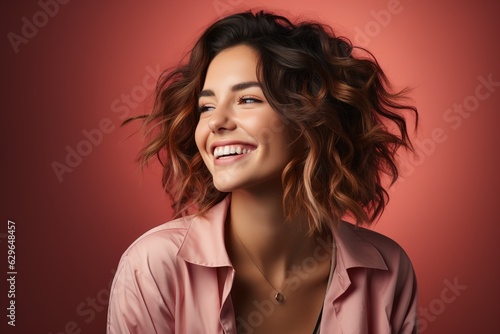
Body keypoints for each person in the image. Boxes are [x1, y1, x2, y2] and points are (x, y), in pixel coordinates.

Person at [107, 10, 418, 334]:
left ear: (312, 119)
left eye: (247, 99)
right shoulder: (154, 267)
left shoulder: (387, 270)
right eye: (207, 106)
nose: (216, 122)